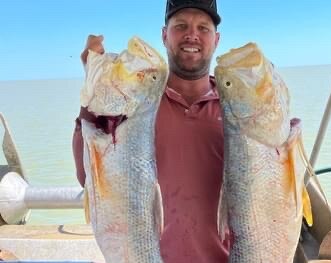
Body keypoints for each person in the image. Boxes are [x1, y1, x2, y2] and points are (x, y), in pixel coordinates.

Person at [72, 0, 230, 262]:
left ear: (217, 39)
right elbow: (88, 178)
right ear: (164, 35)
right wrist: (93, 92)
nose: (192, 34)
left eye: (203, 27)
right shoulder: (136, 106)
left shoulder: (238, 110)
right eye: (181, 26)